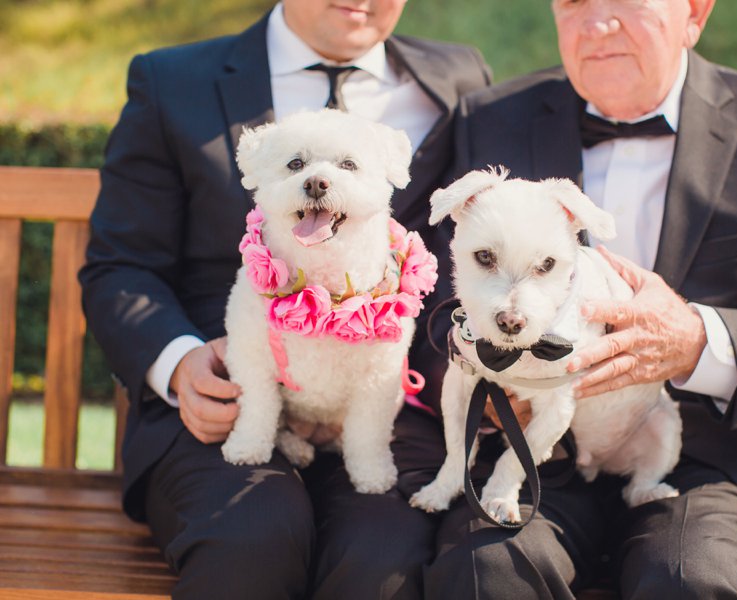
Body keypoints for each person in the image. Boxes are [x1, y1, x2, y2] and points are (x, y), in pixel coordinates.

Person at [418, 0, 737, 598]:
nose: (598, 22)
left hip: (695, 452)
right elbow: (428, 287)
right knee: (486, 572)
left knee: (689, 581)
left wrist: (697, 341)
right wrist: (477, 373)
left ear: (694, 13)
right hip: (527, 439)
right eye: (575, 2)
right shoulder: (487, 118)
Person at [78, 1, 490, 598]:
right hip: (230, 399)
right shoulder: (172, 81)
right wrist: (178, 361)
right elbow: (120, 264)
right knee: (253, 537)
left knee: (389, 557)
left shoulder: (458, 79)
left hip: (383, 402)